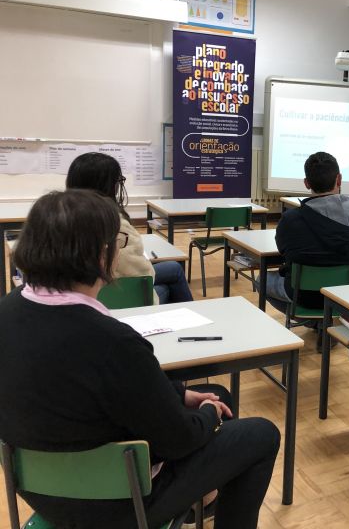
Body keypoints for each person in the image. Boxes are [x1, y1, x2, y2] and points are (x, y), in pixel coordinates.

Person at [0, 190, 280, 529]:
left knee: (218, 393)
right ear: (101, 255)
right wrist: (208, 413)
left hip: (39, 492)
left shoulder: (8, 310)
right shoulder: (113, 342)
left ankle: (200, 503)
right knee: (261, 434)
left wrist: (181, 394)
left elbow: (108, 388)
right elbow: (177, 440)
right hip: (119, 502)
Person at [66, 152, 193, 304]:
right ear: (110, 186)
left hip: (77, 296)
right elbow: (143, 275)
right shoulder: (115, 225)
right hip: (112, 299)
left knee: (173, 267)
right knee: (168, 284)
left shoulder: (61, 218)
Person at [265, 151, 349, 314]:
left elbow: (284, 252)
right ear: (339, 179)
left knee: (261, 279)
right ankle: (326, 321)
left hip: (303, 297)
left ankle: (309, 319)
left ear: (306, 183)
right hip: (347, 297)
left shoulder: (290, 220)